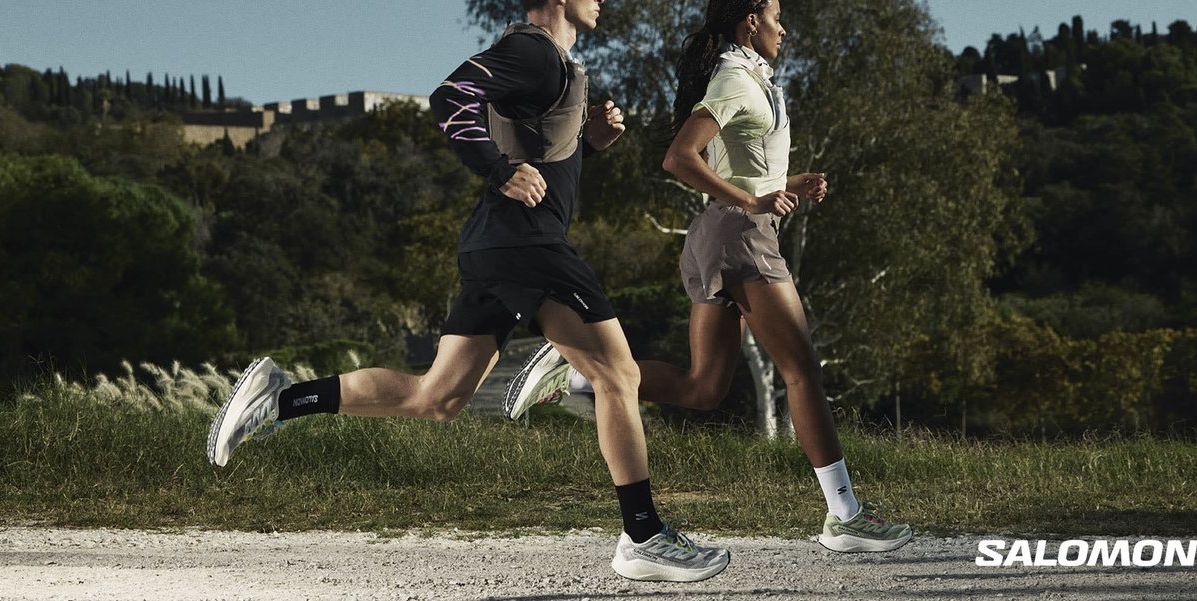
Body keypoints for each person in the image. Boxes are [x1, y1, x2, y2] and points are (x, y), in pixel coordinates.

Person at [206, 0, 729, 583]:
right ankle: (642, 534)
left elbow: (537, 148)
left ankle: (280, 398)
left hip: (497, 247)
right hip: (526, 246)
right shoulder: (531, 49)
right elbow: (449, 98)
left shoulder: (550, 61)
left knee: (437, 397)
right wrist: (495, 169)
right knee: (620, 376)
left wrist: (589, 140)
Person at [503, 0, 913, 553]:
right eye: (775, 16)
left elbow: (739, 165)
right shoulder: (736, 79)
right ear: (750, 22)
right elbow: (680, 157)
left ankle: (580, 376)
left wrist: (789, 181)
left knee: (704, 389)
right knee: (802, 371)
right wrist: (753, 200)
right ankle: (845, 516)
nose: (783, 27)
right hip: (739, 237)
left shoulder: (752, 80)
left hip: (719, 235)